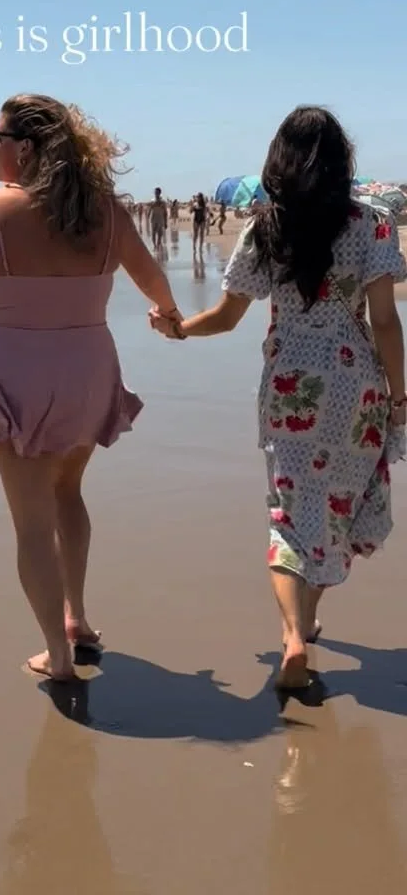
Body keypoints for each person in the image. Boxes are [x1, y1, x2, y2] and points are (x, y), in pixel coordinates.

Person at [150, 106, 406, 692]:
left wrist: (178, 329)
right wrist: (400, 397)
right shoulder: (374, 224)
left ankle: (294, 635)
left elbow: (226, 317)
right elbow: (387, 322)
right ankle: (308, 620)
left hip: (291, 387)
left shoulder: (266, 228)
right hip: (356, 388)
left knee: (290, 513)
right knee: (334, 506)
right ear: (343, 162)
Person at [0, 94, 182, 681]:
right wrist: (169, 313)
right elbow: (150, 275)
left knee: (31, 521)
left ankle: (56, 654)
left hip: (14, 372)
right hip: (86, 369)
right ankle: (77, 619)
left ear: (24, 148)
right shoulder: (104, 211)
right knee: (67, 492)